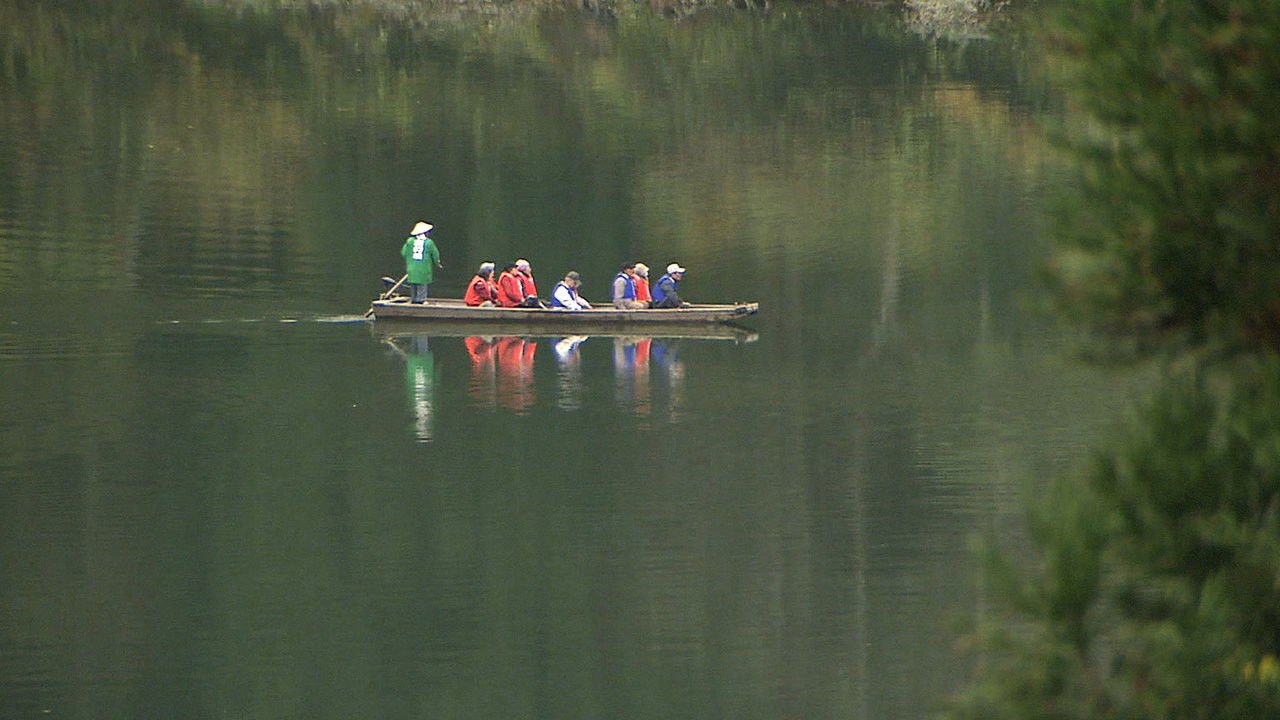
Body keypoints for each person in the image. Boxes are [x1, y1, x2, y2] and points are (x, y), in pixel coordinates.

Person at [400, 221, 442, 303]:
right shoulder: (429, 243)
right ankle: (421, 300)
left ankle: (414, 300)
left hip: (411, 268)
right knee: (422, 284)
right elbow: (435, 255)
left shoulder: (410, 241)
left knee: (413, 284)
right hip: (423, 268)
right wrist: (437, 263)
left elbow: (403, 253)